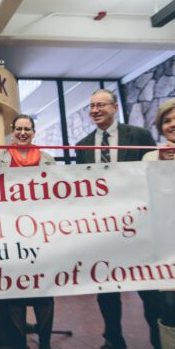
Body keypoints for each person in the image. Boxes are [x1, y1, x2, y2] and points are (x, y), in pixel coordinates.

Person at [76, 89, 161, 349]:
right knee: (107, 288)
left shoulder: (139, 136)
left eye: (100, 105)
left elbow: (154, 175)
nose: (95, 110)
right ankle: (113, 339)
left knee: (149, 289)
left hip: (141, 227)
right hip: (103, 230)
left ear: (114, 108)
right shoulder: (82, 146)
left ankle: (158, 339)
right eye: (91, 106)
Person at [0, 114, 55, 349]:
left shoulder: (48, 159)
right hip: (10, 232)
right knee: (16, 288)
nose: (22, 133)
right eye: (18, 129)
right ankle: (19, 343)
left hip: (42, 233)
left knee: (44, 289)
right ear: (12, 131)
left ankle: (45, 343)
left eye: (27, 129)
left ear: (34, 132)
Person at [142, 99, 175, 348]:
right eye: (167, 120)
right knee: (169, 307)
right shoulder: (150, 157)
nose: (172, 124)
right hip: (167, 247)